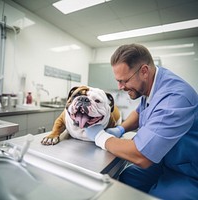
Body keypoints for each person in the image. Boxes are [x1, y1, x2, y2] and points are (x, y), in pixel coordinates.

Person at [85, 44, 198, 200]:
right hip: (164, 160)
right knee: (126, 179)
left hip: (188, 171)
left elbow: (142, 156)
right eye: (118, 81)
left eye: (124, 81)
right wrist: (120, 129)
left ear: (144, 71)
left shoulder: (175, 98)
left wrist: (100, 137)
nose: (120, 87)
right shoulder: (153, 83)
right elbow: (140, 112)